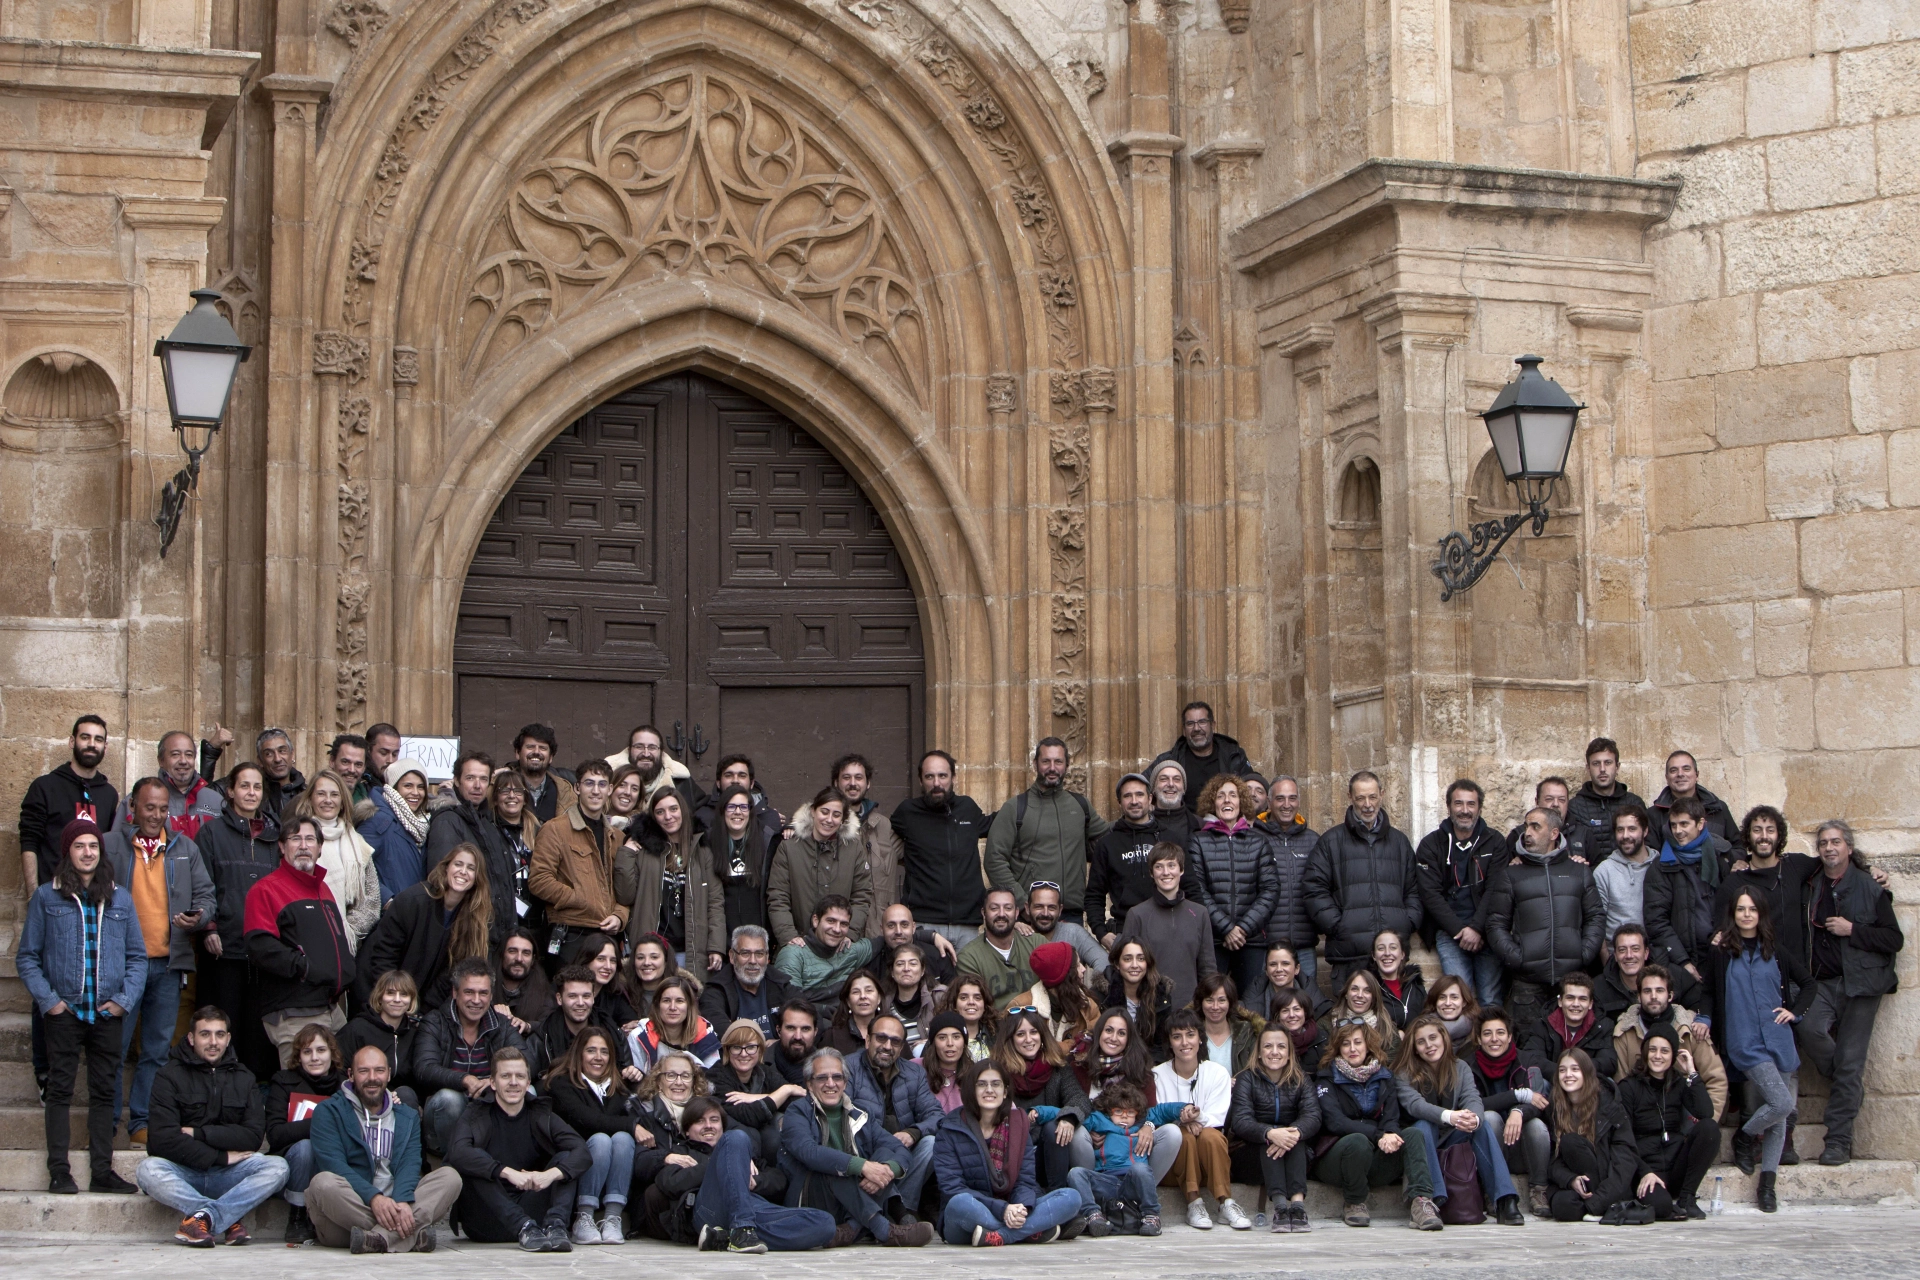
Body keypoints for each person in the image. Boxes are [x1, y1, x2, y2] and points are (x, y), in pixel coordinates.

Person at [15, 817, 145, 1194]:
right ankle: (59, 1171)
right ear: (67, 852)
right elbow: (28, 957)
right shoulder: (46, 896)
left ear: (99, 852)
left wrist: (122, 1002)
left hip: (107, 1012)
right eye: (79, 846)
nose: (87, 853)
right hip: (66, 1011)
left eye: (92, 846)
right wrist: (50, 1002)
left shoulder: (120, 896)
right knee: (59, 1090)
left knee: (106, 1092)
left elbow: (137, 957)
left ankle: (102, 1171)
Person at [103, 777, 214, 1148]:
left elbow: (206, 896)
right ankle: (106, 1122)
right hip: (122, 967)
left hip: (169, 964)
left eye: (163, 809)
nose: (156, 815)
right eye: (149, 807)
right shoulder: (111, 845)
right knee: (115, 1048)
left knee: (156, 1049)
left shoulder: (184, 848)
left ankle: (142, 1122)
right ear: (133, 806)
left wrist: (197, 918)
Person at [1794, 819, 1903, 1166]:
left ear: (1849, 848)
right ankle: (1847, 1084)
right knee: (1808, 1029)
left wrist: (1852, 930)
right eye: (1823, 842)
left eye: (1836, 842)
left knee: (1852, 1062)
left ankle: (1838, 1142)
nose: (1829, 848)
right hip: (1822, 983)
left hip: (1861, 986)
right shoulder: (1810, 884)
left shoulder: (1870, 886)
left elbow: (1892, 940)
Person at [136, 1005, 289, 1247]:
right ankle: (227, 1220)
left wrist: (197, 1133)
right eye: (205, 1034)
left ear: (228, 1039)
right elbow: (162, 1139)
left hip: (229, 1175)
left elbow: (252, 1137)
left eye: (219, 1034)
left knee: (278, 1167)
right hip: (184, 1170)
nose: (213, 1042)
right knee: (148, 1170)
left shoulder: (244, 1077)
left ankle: (203, 1218)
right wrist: (220, 1156)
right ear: (191, 1038)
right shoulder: (169, 1075)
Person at [1707, 891, 1813, 1205]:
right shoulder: (1721, 950)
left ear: (1761, 913)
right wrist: (1703, 1016)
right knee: (1781, 1104)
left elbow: (1809, 983)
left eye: (1752, 909)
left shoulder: (1776, 950)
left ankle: (1767, 1186)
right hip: (1744, 1040)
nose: (1746, 914)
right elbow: (1710, 990)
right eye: (1740, 909)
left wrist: (1795, 1013)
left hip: (1779, 1038)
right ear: (1733, 914)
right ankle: (1744, 1136)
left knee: (1780, 1117)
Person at [306, 1042, 460, 1252]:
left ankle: (378, 1239)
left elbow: (410, 1162)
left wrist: (402, 1199)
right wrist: (374, 1198)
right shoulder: (328, 1111)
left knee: (450, 1177)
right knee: (322, 1182)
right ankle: (409, 1234)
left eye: (379, 1070)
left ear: (388, 1074)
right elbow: (334, 1165)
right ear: (351, 1075)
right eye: (364, 1071)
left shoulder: (407, 1115)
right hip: (347, 1219)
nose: (372, 1078)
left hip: (393, 1206)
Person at [779, 1046, 935, 1246]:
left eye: (837, 1077)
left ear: (845, 1082)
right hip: (812, 1199)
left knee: (885, 1154)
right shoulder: (797, 1111)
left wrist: (887, 1170)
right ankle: (885, 1231)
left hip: (851, 1201)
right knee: (836, 1167)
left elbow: (899, 1148)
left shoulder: (859, 1113)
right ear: (810, 1084)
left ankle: (850, 1230)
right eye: (822, 1078)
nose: (830, 1084)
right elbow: (809, 1152)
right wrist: (862, 1166)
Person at [446, 1046, 591, 1252]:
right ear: (493, 1083)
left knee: (567, 1159)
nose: (513, 1082)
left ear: (528, 1082)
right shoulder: (475, 1113)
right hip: (487, 1217)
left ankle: (555, 1226)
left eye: (519, 1076)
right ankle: (523, 1227)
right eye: (506, 1076)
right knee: (474, 1162)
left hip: (533, 1216)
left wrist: (549, 1175)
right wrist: (506, 1172)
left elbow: (582, 1151)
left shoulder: (539, 1113)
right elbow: (457, 1153)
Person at [1392, 1013, 1525, 1225]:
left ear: (1444, 1038)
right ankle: (1433, 1199)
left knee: (1482, 1126)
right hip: (1417, 1142)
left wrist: (1474, 1119)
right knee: (1424, 1125)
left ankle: (1504, 1199)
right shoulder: (1403, 1072)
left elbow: (1473, 1098)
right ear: (1414, 1047)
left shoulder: (1460, 1067)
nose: (1429, 1045)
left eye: (1433, 1038)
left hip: (1451, 1137)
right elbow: (1415, 1106)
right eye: (1421, 1041)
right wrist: (1450, 1116)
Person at [1483, 805, 1604, 1036]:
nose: (1527, 832)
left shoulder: (1579, 871)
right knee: (1530, 1051)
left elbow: (1596, 916)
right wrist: (1517, 958)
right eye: (1526, 826)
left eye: (1535, 826)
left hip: (1571, 982)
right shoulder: (1511, 874)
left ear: (1554, 833)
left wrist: (1584, 953)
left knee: (1573, 1051)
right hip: (1527, 984)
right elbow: (1496, 923)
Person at [659, 1096, 836, 1253]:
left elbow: (779, 1180)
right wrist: (726, 1166)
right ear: (687, 1130)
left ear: (721, 1125)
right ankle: (741, 1229)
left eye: (714, 1120)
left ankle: (727, 1238)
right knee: (736, 1137)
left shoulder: (743, 1153)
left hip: (750, 1208)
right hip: (709, 1210)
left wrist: (753, 1181)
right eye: (700, 1121)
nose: (708, 1126)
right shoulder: (682, 1152)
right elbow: (668, 1182)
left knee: (825, 1223)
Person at [1310, 1020, 1442, 1230]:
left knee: (1414, 1134)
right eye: (1345, 1044)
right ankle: (1354, 1202)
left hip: (1376, 1158)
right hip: (1338, 1160)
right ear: (1338, 1048)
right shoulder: (1326, 1078)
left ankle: (1421, 1202)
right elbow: (1335, 1122)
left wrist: (1389, 1133)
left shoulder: (1384, 1076)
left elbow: (1391, 1117)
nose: (1352, 1049)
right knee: (1357, 1140)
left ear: (1368, 1045)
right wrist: (1379, 1134)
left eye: (1357, 1042)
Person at [245, 815, 355, 1064]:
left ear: (319, 848)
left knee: (337, 1088)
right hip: (295, 1012)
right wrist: (304, 967)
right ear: (282, 847)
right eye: (295, 839)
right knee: (302, 1095)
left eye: (310, 839)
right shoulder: (266, 889)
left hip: (330, 1008)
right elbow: (260, 946)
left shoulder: (322, 889)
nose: (304, 845)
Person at [195, 762, 280, 1079]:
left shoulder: (275, 835)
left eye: (257, 787)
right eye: (244, 786)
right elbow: (202, 884)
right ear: (230, 791)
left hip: (262, 951)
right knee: (222, 1027)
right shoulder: (211, 833)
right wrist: (209, 928)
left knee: (257, 1035)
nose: (251, 792)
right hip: (223, 949)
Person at [1303, 770, 1421, 984]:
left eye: (1373, 797)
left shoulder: (1399, 842)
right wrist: (1339, 926)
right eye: (1361, 798)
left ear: (1382, 795)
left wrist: (1407, 922)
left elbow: (1413, 889)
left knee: (1395, 1017)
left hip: (1392, 959)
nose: (1367, 804)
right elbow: (1314, 890)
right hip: (1350, 957)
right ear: (1350, 797)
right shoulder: (1331, 842)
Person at [984, 738, 1110, 921]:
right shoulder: (1015, 808)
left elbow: (1108, 838)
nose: (1052, 768)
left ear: (1067, 764)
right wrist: (1021, 902)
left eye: (1058, 761)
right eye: (1046, 761)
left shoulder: (1080, 805)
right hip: (1031, 917)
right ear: (1035, 764)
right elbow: (994, 859)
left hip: (1071, 914)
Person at [356, 843, 491, 1011]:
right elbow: (383, 955)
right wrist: (393, 999)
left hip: (421, 1007)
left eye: (471, 868)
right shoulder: (413, 900)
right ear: (446, 867)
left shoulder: (473, 917)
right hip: (379, 995)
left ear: (477, 877)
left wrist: (424, 1010)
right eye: (458, 864)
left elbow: (452, 972)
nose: (463, 871)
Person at [414, 956, 526, 1152]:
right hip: (444, 1117)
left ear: (491, 996)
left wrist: (492, 1081)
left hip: (489, 1107)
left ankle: (508, 1160)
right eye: (469, 992)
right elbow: (424, 1068)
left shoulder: (502, 1024)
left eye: (483, 993)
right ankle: (457, 1163)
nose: (476, 1000)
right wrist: (465, 1080)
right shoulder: (435, 1021)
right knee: (450, 1099)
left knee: (527, 1091)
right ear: (455, 993)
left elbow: (526, 1060)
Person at [1185, 774, 1280, 1006]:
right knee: (1211, 1002)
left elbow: (1270, 889)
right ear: (1213, 803)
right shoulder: (1198, 841)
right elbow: (1197, 890)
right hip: (1213, 939)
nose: (1227, 800)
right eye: (1220, 796)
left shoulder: (1259, 842)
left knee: (1251, 1006)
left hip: (1252, 941)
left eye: (1233, 795)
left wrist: (1243, 929)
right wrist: (1227, 928)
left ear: (1241, 802)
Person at [1148, 1010, 1244, 1228]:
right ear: (1169, 1043)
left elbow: (1218, 1117)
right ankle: (1194, 1203)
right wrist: (1182, 1121)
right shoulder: (1156, 1075)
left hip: (1207, 1156)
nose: (1184, 1043)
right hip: (1173, 1164)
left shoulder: (1217, 1073)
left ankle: (1225, 1202)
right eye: (1177, 1036)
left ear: (1200, 1039)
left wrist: (1197, 1117)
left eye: (1190, 1035)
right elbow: (1157, 1120)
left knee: (1212, 1136)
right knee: (1183, 1137)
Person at [542, 1025, 638, 1244]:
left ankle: (613, 1217)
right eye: (591, 1050)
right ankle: (583, 1216)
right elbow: (587, 1120)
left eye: (604, 1052)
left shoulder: (617, 1087)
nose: (598, 1057)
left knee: (623, 1139)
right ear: (579, 1053)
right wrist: (631, 1124)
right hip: (575, 1171)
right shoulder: (561, 1083)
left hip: (610, 1176)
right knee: (601, 1139)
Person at [1415, 778, 1505, 1009]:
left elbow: (1496, 889)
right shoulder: (1431, 844)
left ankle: (1491, 1044)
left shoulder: (1495, 842)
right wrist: (1460, 931)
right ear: (1448, 807)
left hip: (1487, 930)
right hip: (1450, 932)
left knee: (1491, 1000)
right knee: (1458, 1000)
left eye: (1471, 804)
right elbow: (1430, 894)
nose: (1465, 810)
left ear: (1479, 808)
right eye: (1459, 804)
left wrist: (1477, 928)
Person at [1067, 1010, 1183, 1183]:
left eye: (1121, 1033)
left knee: (1172, 1133)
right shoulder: (1080, 1066)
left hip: (1130, 1147)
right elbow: (1070, 1105)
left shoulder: (1140, 1071)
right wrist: (1088, 1128)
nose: (1113, 1038)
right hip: (1093, 1148)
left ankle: (1141, 1194)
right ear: (1099, 1032)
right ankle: (1091, 1194)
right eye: (1109, 1030)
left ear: (1129, 1040)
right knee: (1076, 1131)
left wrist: (1148, 1126)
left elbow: (1151, 1112)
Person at [845, 1014, 943, 1216]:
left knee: (930, 1144)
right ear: (867, 1040)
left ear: (901, 1046)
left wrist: (913, 1132)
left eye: (895, 1041)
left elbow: (936, 1115)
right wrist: (878, 1164)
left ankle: (902, 1208)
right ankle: (891, 1214)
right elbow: (843, 1117)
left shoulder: (914, 1073)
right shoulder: (847, 1068)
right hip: (863, 1157)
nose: (888, 1046)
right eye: (881, 1038)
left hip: (902, 1159)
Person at [1227, 1025, 1321, 1232]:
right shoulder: (1246, 1079)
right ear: (1259, 1053)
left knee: (1295, 1138)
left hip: (1292, 1155)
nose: (1275, 1052)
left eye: (1281, 1046)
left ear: (1289, 1053)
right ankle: (1280, 1208)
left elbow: (1313, 1116)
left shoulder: (1301, 1079)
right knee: (1271, 1141)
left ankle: (1297, 1207)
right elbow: (1241, 1121)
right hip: (1251, 1157)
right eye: (1268, 1046)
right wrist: (1269, 1133)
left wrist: (1292, 1133)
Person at [530, 758, 628, 955]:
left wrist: (620, 916)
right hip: (571, 932)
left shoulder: (617, 837)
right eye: (589, 783)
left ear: (609, 789)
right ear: (577, 788)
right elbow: (539, 880)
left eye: (601, 784)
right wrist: (579, 899)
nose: (595, 791)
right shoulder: (555, 829)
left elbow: (625, 888)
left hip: (608, 935)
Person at [617, 787, 723, 970]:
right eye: (660, 812)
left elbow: (715, 901)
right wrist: (626, 853)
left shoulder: (701, 850)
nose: (668, 816)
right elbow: (625, 896)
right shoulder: (644, 850)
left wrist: (716, 946)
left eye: (673, 809)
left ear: (683, 810)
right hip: (651, 948)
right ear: (654, 817)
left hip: (690, 948)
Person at [893, 749, 988, 947]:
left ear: (953, 777)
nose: (936, 783)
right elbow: (881, 841)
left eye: (942, 776)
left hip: (968, 925)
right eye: (929, 776)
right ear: (920, 780)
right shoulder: (907, 813)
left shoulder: (967, 808)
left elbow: (1000, 825)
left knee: (968, 979)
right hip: (924, 924)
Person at [1612, 963, 1728, 1121]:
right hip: (1642, 1118)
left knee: (1707, 1129)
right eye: (1647, 991)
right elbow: (1621, 1085)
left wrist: (1708, 1120)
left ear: (1670, 995)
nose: (1653, 996)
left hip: (1684, 1111)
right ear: (1638, 996)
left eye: (1659, 990)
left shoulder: (1691, 1029)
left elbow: (1716, 1079)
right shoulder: (1624, 1032)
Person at [993, 1009, 1090, 1192]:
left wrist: (1068, 1118)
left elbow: (1079, 1098)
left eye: (1033, 1032)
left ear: (1042, 1034)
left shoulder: (1057, 1067)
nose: (1029, 1039)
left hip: (1050, 1153)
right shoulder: (999, 1073)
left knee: (1054, 1127)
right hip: (1015, 1156)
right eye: (1020, 1034)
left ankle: (1059, 1194)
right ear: (1010, 1039)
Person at [1468, 1006, 1552, 1218]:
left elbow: (1539, 1102)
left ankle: (1539, 1189)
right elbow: (1475, 1105)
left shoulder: (1527, 1061)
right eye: (1487, 1033)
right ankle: (1493, 1189)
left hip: (1524, 1148)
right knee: (1490, 1118)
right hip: (1491, 1146)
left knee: (1537, 1126)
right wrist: (1517, 1096)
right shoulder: (1468, 1066)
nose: (1494, 1039)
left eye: (1500, 1033)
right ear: (1478, 1039)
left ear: (1510, 1037)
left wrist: (1519, 1112)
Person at [425, 751, 514, 950]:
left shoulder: (487, 821)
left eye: (483, 779)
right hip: (467, 935)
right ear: (456, 781)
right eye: (470, 778)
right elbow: (443, 882)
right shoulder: (448, 820)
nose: (477, 785)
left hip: (495, 935)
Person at [267, 1024, 347, 1242]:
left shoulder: (346, 1086)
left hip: (333, 1160)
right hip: (294, 1166)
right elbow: (275, 1134)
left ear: (332, 1053)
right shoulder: (283, 1081)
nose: (315, 1057)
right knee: (305, 1147)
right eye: (307, 1051)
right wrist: (320, 1123)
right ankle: (298, 1215)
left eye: (321, 1050)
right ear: (298, 1056)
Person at [19, 714, 118, 891]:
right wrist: (33, 896)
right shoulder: (45, 787)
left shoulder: (109, 794)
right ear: (72, 741)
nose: (91, 744)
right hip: (53, 896)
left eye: (98, 739)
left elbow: (108, 848)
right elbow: (29, 841)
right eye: (85, 737)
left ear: (105, 747)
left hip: (94, 897)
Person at [1642, 794, 1732, 986]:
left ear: (1700, 824)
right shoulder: (1661, 866)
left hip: (1724, 949)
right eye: (1673, 825)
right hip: (1686, 957)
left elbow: (1735, 903)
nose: (1678, 831)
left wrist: (1726, 931)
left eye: (1684, 824)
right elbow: (1656, 921)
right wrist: (1683, 961)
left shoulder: (1722, 856)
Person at [1543, 1048, 1640, 1223]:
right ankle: (1594, 1208)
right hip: (1578, 1183)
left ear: (1586, 1073)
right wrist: (1571, 1180)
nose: (1568, 1075)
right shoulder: (1555, 1108)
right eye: (1562, 1070)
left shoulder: (1609, 1106)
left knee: (1570, 1141)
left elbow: (1625, 1160)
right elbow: (1553, 1162)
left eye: (1575, 1069)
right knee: (1562, 1206)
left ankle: (1599, 1206)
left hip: (1608, 1184)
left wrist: (1598, 1201)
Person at [769, 788, 872, 945]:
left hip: (840, 946)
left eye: (836, 815)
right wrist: (788, 936)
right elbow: (778, 897)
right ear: (813, 811)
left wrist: (849, 933)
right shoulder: (789, 849)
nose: (829, 820)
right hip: (799, 944)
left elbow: (862, 896)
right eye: (824, 812)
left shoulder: (854, 849)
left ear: (843, 818)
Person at [293, 768, 380, 950]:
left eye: (334, 794)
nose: (328, 800)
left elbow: (371, 900)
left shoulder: (358, 843)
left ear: (342, 802)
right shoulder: (296, 840)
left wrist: (346, 931)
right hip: (305, 942)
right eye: (321, 794)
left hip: (346, 944)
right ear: (310, 798)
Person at [1120, 842, 1215, 1007]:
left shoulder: (1199, 914)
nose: (1166, 873)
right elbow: (1127, 969)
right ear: (1151, 873)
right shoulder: (1137, 915)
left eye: (1171, 865)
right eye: (1159, 867)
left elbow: (1208, 970)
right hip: (1150, 1009)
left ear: (1182, 870)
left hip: (1190, 1010)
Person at [708, 1019, 803, 1184]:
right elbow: (748, 1115)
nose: (744, 1054)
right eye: (737, 1047)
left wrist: (756, 1097)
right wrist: (784, 1091)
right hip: (733, 1144)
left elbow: (799, 1098)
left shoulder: (765, 1072)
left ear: (760, 1050)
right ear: (727, 1050)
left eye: (751, 1047)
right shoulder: (716, 1076)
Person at [828, 755, 902, 940]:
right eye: (846, 778)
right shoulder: (825, 825)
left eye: (859, 778)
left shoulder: (884, 826)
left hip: (878, 933)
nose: (853, 783)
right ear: (836, 783)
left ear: (868, 783)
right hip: (838, 933)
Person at [1260, 776, 1320, 990]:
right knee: (1263, 1010)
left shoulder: (1313, 841)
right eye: (1280, 798)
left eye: (1292, 798)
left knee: (1307, 1004)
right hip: (1265, 946)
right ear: (1269, 802)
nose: (1287, 805)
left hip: (1303, 946)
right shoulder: (1254, 838)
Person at [1087, 773, 1160, 948]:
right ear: (1119, 802)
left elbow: (1190, 887)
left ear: (1150, 798)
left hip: (1165, 928)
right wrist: (1101, 932)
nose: (1134, 801)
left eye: (1139, 795)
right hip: (1124, 930)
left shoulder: (1167, 837)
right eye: (1127, 796)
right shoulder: (1107, 844)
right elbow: (1094, 895)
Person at [774, 895, 885, 1002]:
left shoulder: (849, 950)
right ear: (816, 921)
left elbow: (885, 941)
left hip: (843, 1017)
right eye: (831, 921)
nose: (837, 929)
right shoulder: (794, 954)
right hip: (808, 1017)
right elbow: (792, 1005)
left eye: (844, 924)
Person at [702, 783, 774, 944]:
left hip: (758, 938)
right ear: (722, 811)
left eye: (743, 807)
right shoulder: (707, 843)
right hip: (722, 937)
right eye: (731, 806)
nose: (737, 812)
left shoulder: (766, 841)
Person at [1595, 922, 1708, 1023]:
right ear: (1615, 955)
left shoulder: (1676, 976)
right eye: (1622, 950)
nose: (1629, 955)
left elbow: (1700, 1005)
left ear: (1646, 953)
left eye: (1635, 949)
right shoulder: (1598, 988)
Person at [1151, 702, 1253, 811]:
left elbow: (1252, 789)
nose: (1196, 728)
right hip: (1183, 825)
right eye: (1190, 723)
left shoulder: (1234, 756)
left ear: (1213, 725)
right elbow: (1142, 787)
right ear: (1184, 730)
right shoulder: (1169, 760)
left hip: (1225, 824)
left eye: (1202, 722)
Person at [339, 970, 421, 1105]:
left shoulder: (414, 1033)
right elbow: (339, 1070)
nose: (397, 999)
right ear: (379, 997)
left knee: (407, 1095)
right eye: (390, 993)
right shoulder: (358, 1028)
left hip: (398, 1099)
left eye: (404, 994)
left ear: (411, 1000)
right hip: (360, 1097)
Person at [700, 924, 795, 1037]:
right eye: (745, 953)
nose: (753, 961)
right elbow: (719, 1028)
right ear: (732, 956)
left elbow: (810, 1018)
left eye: (759, 954)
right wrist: (762, 1046)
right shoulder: (716, 990)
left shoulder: (781, 984)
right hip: (737, 1053)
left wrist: (778, 1046)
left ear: (767, 956)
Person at [956, 888, 1042, 1008]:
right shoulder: (969, 957)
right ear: (983, 912)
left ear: (1016, 913)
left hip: (1036, 1023)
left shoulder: (1037, 943)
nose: (1001, 914)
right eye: (994, 908)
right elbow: (975, 1007)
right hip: (993, 1024)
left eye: (1008, 908)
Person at [1524, 971, 1618, 1080]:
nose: (1576, 1004)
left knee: (1608, 1082)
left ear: (1591, 1004)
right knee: (1536, 1081)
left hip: (1587, 1084)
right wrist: (1564, 1072)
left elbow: (1609, 1063)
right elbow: (1532, 1059)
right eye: (1570, 998)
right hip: (1553, 1082)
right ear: (1560, 1001)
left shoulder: (1604, 1026)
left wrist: (1574, 1071)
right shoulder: (1541, 1025)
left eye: (1582, 999)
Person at [359, 756, 430, 900]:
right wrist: (388, 900)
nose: (415, 792)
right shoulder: (378, 820)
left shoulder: (423, 823)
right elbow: (359, 867)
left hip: (414, 911)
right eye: (408, 785)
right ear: (394, 788)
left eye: (421, 786)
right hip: (391, 915)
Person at [1565, 737, 1643, 866]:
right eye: (1596, 763)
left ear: (1617, 766)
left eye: (1608, 763)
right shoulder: (1575, 807)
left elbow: (1646, 845)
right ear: (1588, 768)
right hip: (1590, 878)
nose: (1602, 769)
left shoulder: (1634, 803)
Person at [1013, 939, 1102, 1051]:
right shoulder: (1020, 1006)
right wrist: (1068, 1046)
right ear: (1063, 975)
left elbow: (1097, 1044)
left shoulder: (1087, 1005)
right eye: (1077, 965)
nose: (1084, 969)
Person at [488, 770, 544, 945]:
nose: (512, 796)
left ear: (525, 798)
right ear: (496, 798)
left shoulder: (540, 830)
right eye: (505, 791)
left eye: (518, 791)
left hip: (536, 917)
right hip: (501, 917)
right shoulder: (487, 830)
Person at [1647, 749, 1741, 853]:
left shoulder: (1718, 808)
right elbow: (1651, 855)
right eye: (1673, 770)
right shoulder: (1653, 815)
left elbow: (1738, 847)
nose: (1680, 774)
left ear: (1697, 775)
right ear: (1667, 778)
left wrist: (1732, 862)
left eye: (1686, 769)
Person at [1097, 935, 1174, 1060]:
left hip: (1149, 1068)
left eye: (1141, 959)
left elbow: (1161, 1046)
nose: (1134, 965)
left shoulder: (1161, 996)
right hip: (1108, 1066)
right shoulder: (1102, 996)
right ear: (1117, 963)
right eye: (1127, 959)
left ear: (1147, 963)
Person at [603, 724, 703, 814]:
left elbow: (704, 809)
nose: (646, 754)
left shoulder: (680, 780)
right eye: (639, 747)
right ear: (629, 750)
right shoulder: (609, 776)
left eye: (652, 747)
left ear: (661, 752)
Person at [628, 972, 720, 1071]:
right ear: (657, 1005)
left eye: (679, 1001)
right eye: (666, 1000)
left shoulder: (706, 1035)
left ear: (689, 1006)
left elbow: (713, 1081)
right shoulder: (639, 1037)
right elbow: (638, 1083)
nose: (672, 1007)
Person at [1018, 880, 1107, 974]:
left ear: (1060, 910)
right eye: (1039, 907)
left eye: (1051, 907)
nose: (1045, 913)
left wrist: (1094, 987)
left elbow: (1103, 962)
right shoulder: (1019, 935)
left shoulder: (1073, 933)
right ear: (1027, 908)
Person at [1193, 971, 1263, 1074]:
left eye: (1221, 1000)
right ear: (1201, 1002)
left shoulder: (1246, 1032)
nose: (1215, 1007)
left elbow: (1257, 1072)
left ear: (1230, 1002)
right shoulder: (1190, 1034)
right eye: (1209, 1000)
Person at [1325, 967, 1402, 1059]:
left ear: (1374, 997)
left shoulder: (1388, 1030)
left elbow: (1391, 1066)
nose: (1360, 995)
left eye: (1367, 990)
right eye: (1354, 989)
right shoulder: (1326, 1025)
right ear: (1346, 993)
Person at [510, 723, 575, 822]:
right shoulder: (499, 787)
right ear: (517, 753)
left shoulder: (565, 791)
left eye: (542, 748)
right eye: (530, 747)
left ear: (551, 758)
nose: (536, 752)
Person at [878, 944, 936, 1052]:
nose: (906, 969)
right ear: (892, 971)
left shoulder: (938, 996)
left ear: (922, 970)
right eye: (900, 964)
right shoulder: (882, 1002)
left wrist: (932, 1042)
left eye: (913, 964)